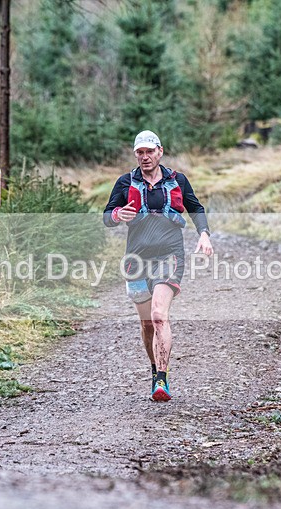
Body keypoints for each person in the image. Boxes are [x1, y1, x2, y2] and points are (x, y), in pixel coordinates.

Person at [103, 130, 213, 402]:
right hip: (136, 258)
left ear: (159, 152)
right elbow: (107, 216)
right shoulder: (125, 182)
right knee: (147, 325)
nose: (144, 157)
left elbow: (195, 208)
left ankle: (161, 380)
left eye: (149, 151)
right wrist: (118, 214)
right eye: (139, 152)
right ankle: (154, 369)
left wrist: (204, 233)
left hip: (169, 255)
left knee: (158, 315)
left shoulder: (178, 181)